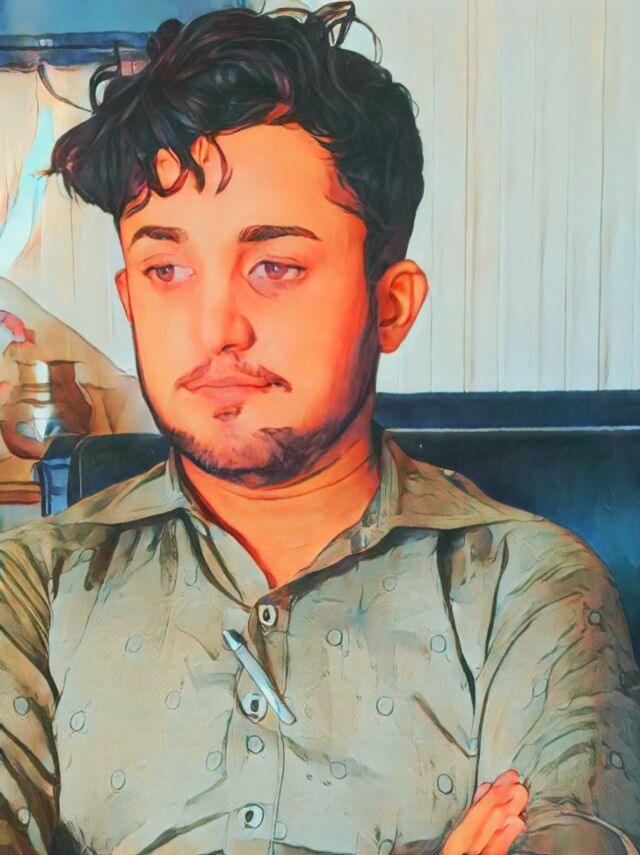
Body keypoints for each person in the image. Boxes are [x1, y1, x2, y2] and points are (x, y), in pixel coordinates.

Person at [0, 3, 638, 853]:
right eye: (167, 268)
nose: (215, 328)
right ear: (129, 297)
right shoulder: (33, 588)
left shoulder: (526, 591)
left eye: (275, 266)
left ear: (390, 304)